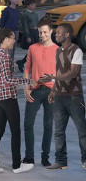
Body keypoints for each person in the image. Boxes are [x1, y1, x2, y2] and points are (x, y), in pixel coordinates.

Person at [0, 28, 33, 175]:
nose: (14, 40)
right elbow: (7, 80)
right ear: (5, 39)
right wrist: (27, 81)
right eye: (12, 38)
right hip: (7, 98)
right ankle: (17, 165)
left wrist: (15, 83)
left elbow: (1, 78)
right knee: (15, 132)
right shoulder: (4, 56)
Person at [40, 23, 86, 171]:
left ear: (67, 35)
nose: (56, 34)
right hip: (59, 97)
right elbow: (59, 72)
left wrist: (53, 77)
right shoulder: (58, 51)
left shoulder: (76, 50)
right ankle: (61, 161)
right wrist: (53, 90)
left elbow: (72, 73)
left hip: (74, 97)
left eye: (59, 32)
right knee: (59, 132)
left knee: (82, 132)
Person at [22, 21, 56, 169]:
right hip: (34, 90)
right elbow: (27, 69)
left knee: (48, 125)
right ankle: (29, 157)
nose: (42, 35)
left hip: (51, 91)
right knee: (28, 124)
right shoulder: (32, 48)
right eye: (40, 32)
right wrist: (26, 88)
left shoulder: (59, 51)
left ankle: (45, 157)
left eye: (45, 32)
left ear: (51, 32)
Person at [16, 0, 40, 72]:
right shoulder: (25, 14)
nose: (34, 6)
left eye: (34, 4)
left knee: (34, 51)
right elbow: (25, 26)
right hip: (30, 32)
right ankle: (31, 66)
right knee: (33, 51)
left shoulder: (35, 14)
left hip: (35, 32)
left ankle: (22, 62)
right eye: (32, 5)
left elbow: (38, 25)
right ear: (27, 6)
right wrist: (27, 36)